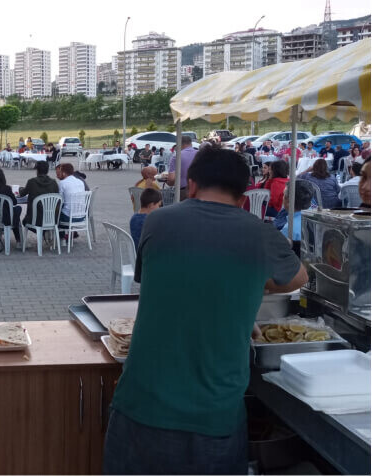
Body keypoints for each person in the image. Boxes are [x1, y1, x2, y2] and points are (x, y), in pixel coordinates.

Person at [104, 146, 307, 476]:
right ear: (243, 197)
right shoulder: (260, 233)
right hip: (212, 421)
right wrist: (250, 285)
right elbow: (298, 277)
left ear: (193, 184)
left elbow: (167, 280)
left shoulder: (157, 221)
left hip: (139, 410)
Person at [19, 161, 59, 227]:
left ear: (37, 170)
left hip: (34, 220)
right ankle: (45, 230)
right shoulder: (53, 183)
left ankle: (40, 231)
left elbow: (22, 194)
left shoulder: (31, 182)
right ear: (47, 170)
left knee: (24, 221)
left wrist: (20, 189)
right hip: (51, 219)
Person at [129, 188, 162, 252]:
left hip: (137, 253)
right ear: (151, 205)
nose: (159, 208)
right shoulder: (149, 222)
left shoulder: (134, 218)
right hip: (147, 254)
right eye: (158, 205)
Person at [166, 135, 197, 201]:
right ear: (191, 143)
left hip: (183, 192)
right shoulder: (200, 154)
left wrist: (168, 182)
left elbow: (171, 179)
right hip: (199, 191)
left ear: (179, 144)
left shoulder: (176, 156)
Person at [56, 163, 85, 227]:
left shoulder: (62, 183)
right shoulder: (80, 182)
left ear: (64, 173)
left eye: (59, 173)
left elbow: (60, 201)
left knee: (53, 215)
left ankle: (58, 233)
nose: (57, 176)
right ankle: (69, 232)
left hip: (68, 217)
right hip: (81, 216)